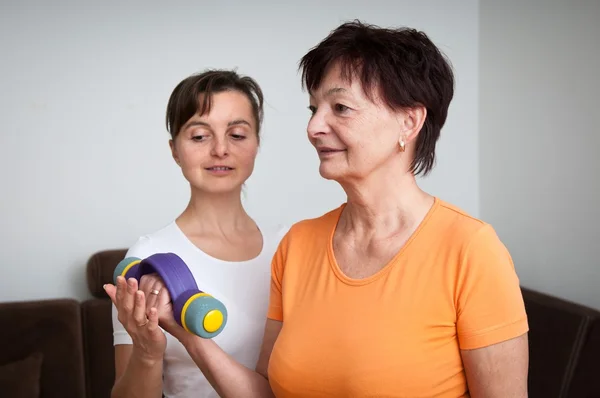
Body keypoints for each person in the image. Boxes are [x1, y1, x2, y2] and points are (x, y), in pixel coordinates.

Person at [106, 20, 529, 398]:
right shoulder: (299, 245)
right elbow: (267, 393)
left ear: (409, 122)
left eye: (339, 107)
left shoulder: (471, 249)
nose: (313, 127)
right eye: (314, 109)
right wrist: (188, 335)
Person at [105, 69, 288, 398]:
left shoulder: (291, 246)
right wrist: (148, 354)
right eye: (200, 136)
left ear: (257, 144)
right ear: (175, 149)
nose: (220, 149)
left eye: (237, 134)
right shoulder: (147, 259)